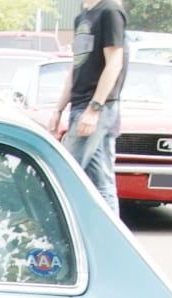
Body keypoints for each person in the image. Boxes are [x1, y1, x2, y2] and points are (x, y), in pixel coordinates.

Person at [51, 0, 125, 213]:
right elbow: (77, 67)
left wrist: (94, 108)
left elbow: (114, 63)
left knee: (63, 173)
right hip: (79, 105)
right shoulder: (83, 17)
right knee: (102, 182)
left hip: (96, 107)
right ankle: (110, 240)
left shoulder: (110, 11)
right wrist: (59, 109)